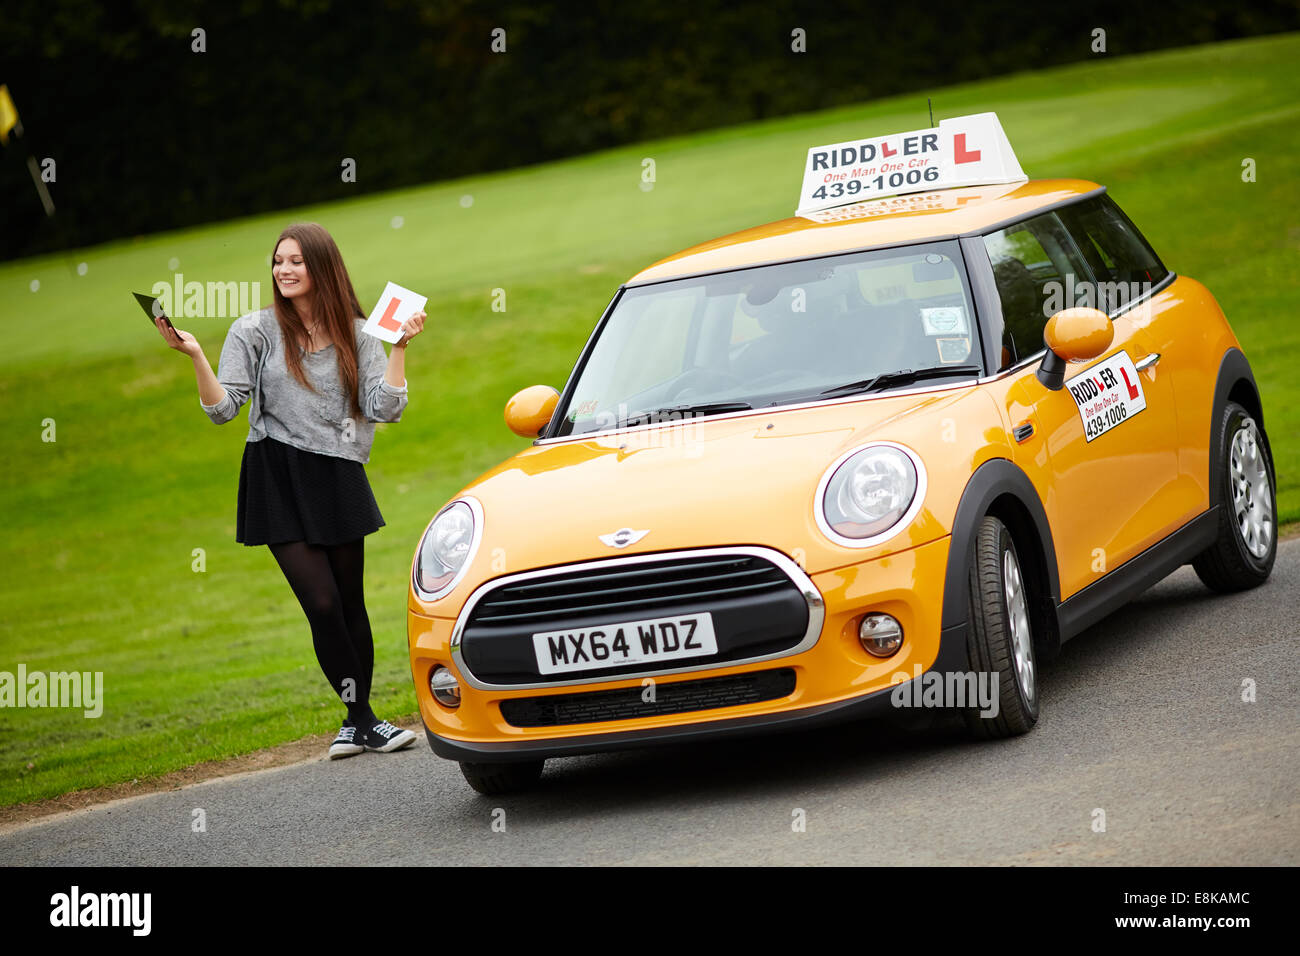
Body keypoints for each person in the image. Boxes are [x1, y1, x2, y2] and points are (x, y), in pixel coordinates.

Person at [155, 222, 425, 760]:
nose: (284, 270)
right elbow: (221, 409)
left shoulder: (362, 331)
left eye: (296, 261)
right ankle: (365, 719)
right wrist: (195, 356)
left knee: (351, 603)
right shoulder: (252, 331)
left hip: (338, 473)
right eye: (278, 261)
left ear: (322, 266)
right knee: (320, 603)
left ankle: (358, 720)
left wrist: (398, 349)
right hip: (275, 474)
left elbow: (385, 407)